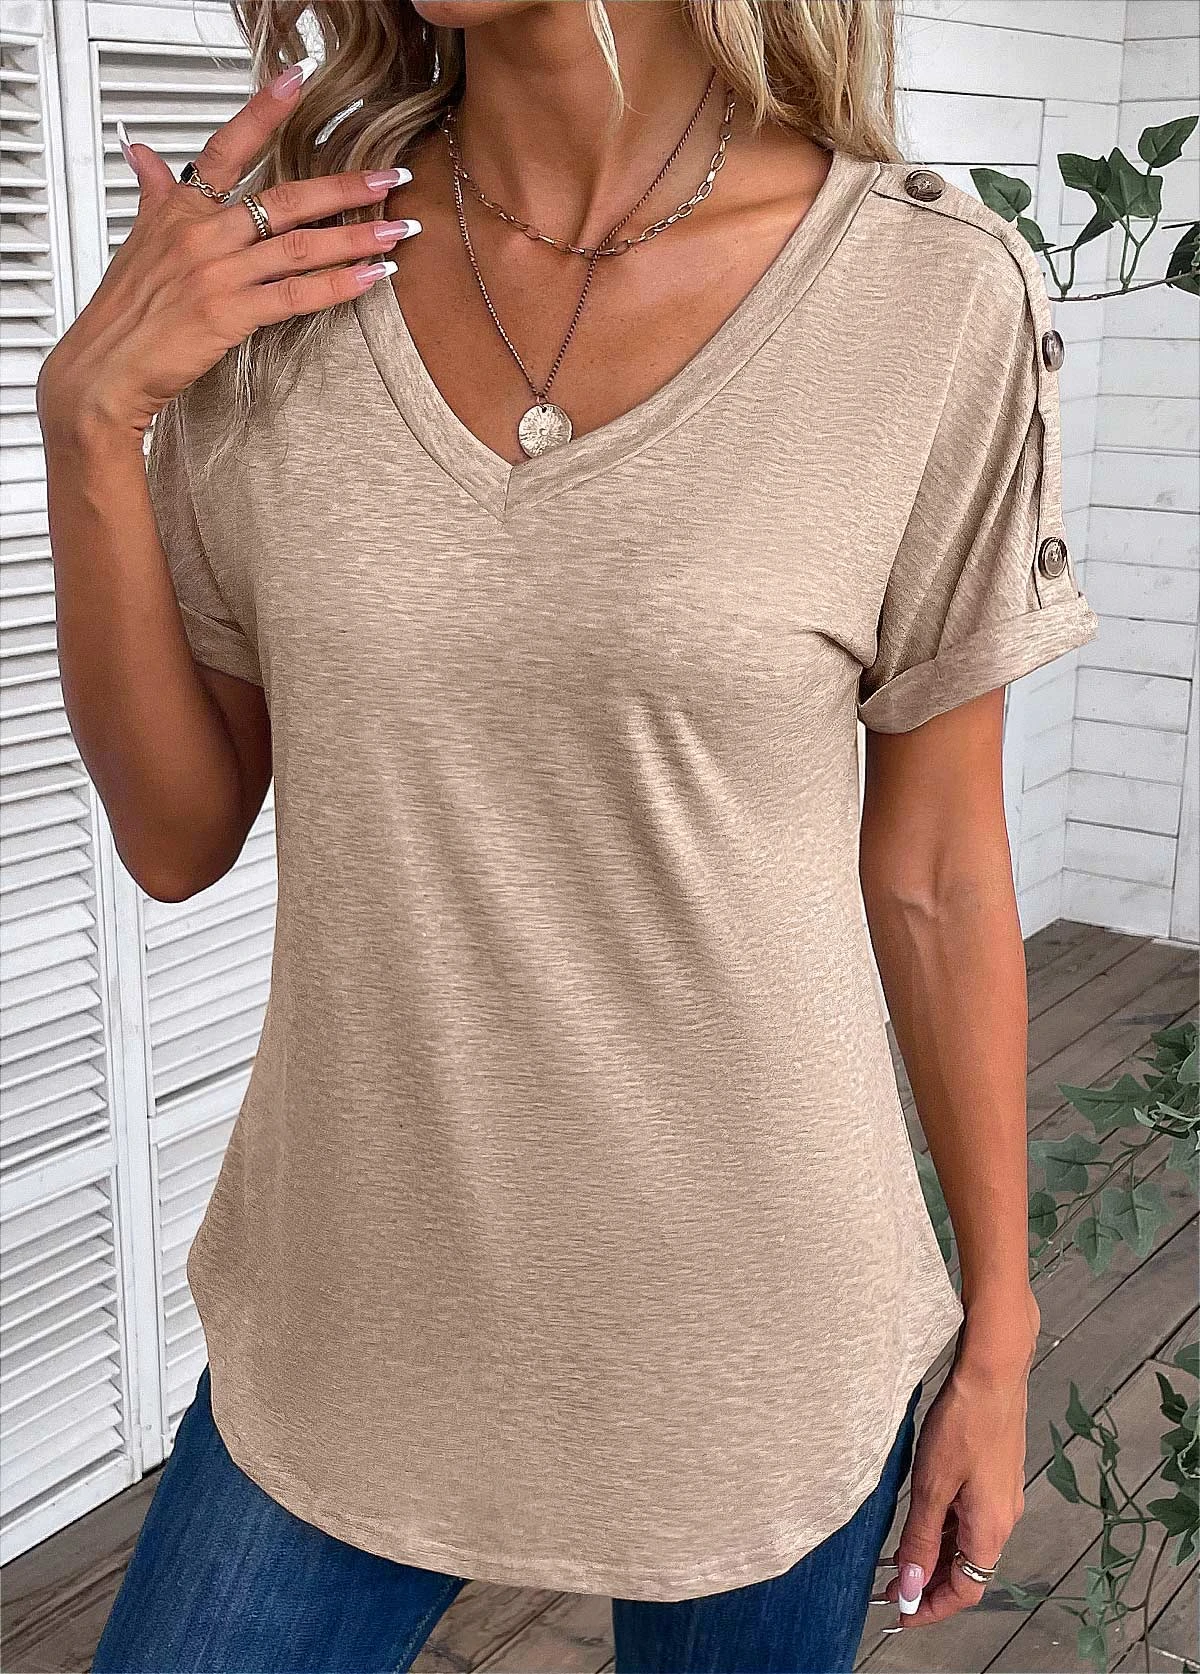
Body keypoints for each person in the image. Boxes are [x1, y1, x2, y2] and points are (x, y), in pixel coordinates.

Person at [38, 2, 1099, 1670]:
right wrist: (92, 426)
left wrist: (999, 1335)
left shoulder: (925, 292)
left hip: (761, 1337)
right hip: (351, 1311)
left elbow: (940, 870)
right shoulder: (283, 277)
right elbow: (178, 837)